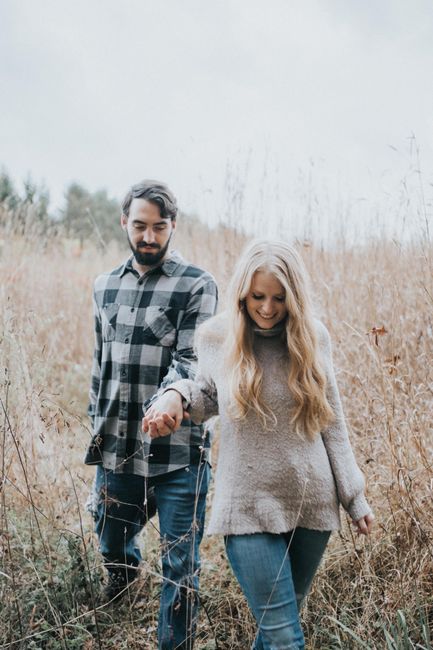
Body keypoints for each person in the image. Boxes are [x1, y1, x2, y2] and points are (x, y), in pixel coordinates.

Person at [143, 239, 374, 650]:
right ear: (242, 294)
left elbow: (332, 421)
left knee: (278, 627)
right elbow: (208, 396)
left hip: (311, 501)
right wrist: (175, 398)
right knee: (285, 636)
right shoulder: (217, 338)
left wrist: (354, 497)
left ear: (295, 297)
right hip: (246, 503)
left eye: (279, 298)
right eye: (258, 296)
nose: (267, 308)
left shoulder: (312, 337)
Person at [84, 180, 218, 650]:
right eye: (139, 226)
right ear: (125, 223)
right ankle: (122, 581)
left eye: (159, 228)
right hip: (118, 449)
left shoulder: (197, 285)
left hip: (180, 454)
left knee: (180, 568)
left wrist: (171, 400)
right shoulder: (104, 286)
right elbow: (101, 365)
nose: (148, 237)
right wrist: (94, 429)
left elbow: (192, 362)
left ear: (172, 227)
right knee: (110, 540)